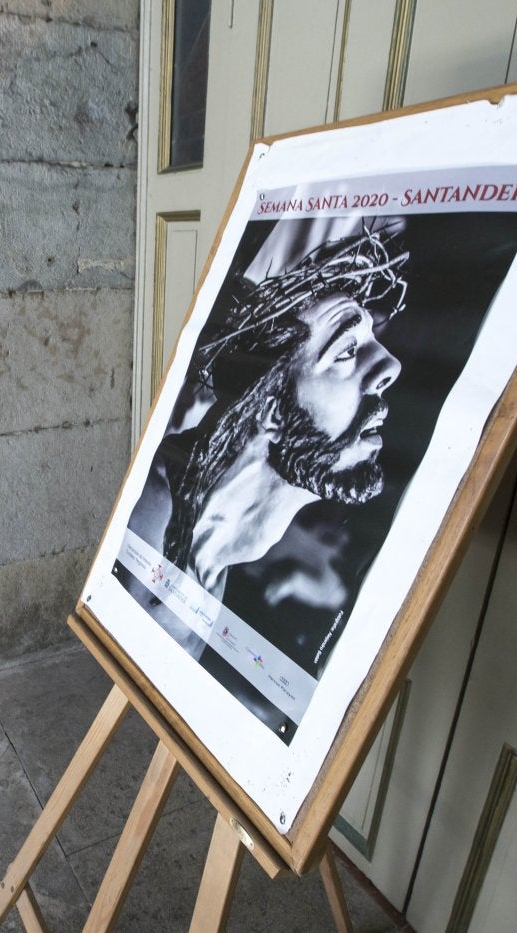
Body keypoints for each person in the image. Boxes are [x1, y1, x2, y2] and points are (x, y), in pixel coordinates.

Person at [116, 219, 408, 663]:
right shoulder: (152, 520)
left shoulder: (220, 546)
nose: (390, 366)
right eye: (346, 350)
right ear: (270, 408)